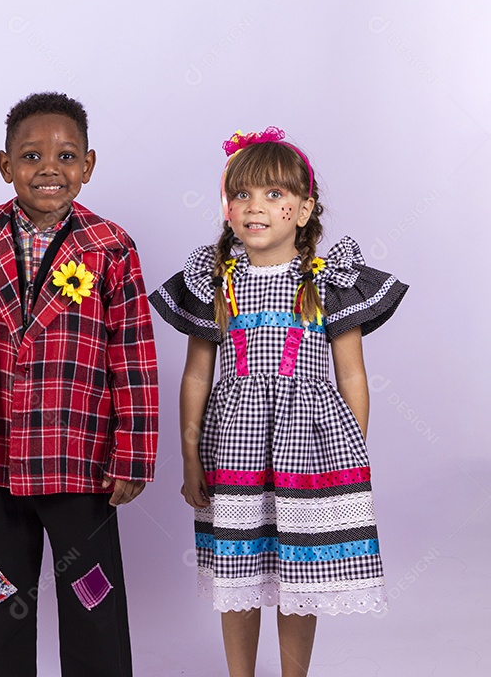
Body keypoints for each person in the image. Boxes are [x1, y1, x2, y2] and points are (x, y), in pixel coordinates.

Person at [149, 127, 408, 677]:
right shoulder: (215, 282)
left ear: (304, 207)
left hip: (311, 448)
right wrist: (191, 457)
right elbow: (197, 377)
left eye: (273, 194)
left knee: (301, 574)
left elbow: (352, 374)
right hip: (235, 447)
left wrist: (352, 452)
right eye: (241, 194)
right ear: (226, 208)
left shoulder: (327, 279)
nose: (255, 207)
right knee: (239, 570)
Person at [0, 92, 158, 677]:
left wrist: (132, 454)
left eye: (65, 155)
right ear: (6, 167)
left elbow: (133, 357)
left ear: (88, 165)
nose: (49, 169)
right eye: (31, 156)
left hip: (80, 459)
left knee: (92, 597)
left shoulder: (110, 247)